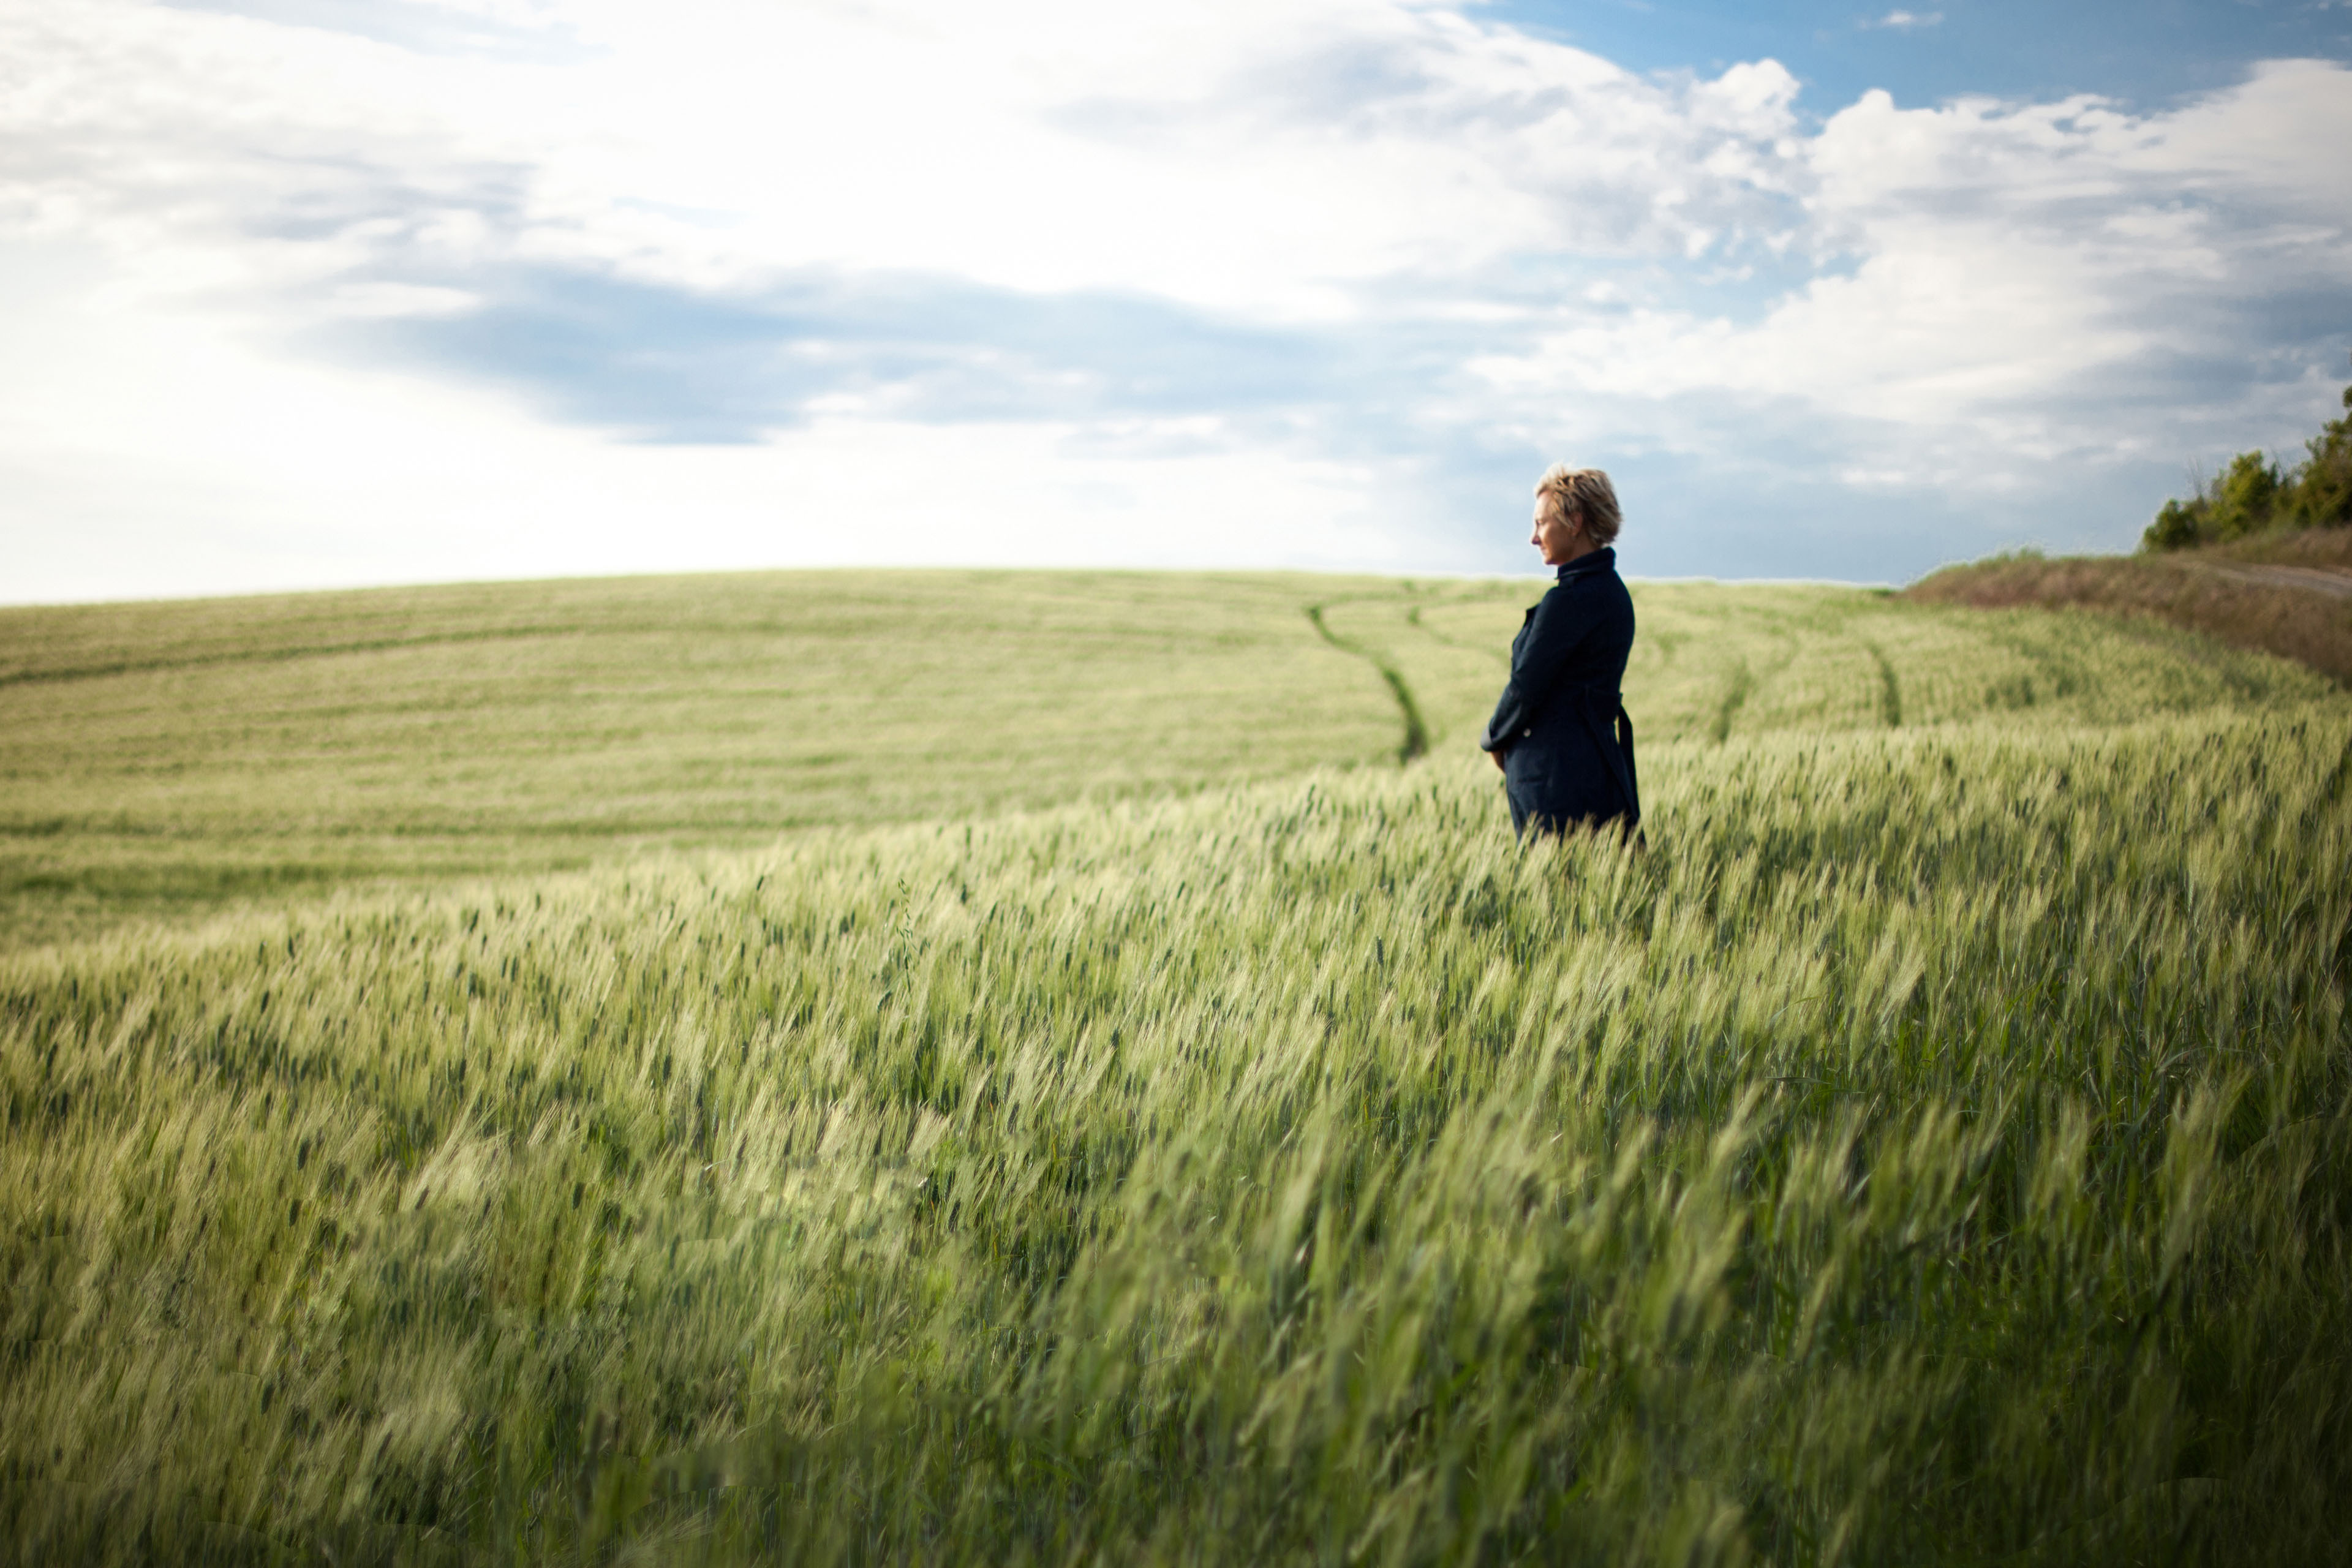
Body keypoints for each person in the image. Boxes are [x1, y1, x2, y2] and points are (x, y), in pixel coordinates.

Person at [1479, 465, 1642, 843]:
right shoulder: (1615, 595)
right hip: (1603, 773)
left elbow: (1525, 687)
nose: (1533, 538)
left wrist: (1494, 739)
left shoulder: (1567, 602)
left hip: (1553, 787)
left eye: (1541, 524)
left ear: (1574, 522)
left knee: (1556, 895)